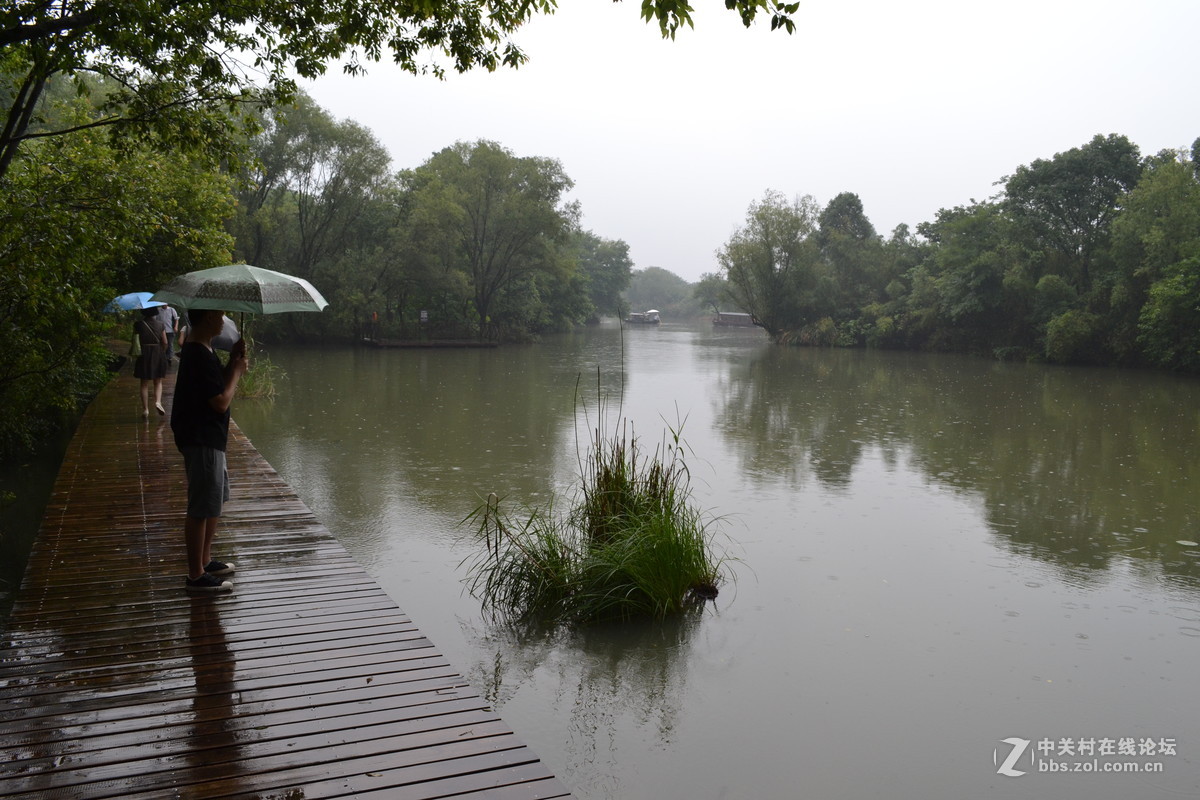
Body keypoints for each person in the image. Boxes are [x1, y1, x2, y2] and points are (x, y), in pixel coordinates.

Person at [171, 308, 249, 592]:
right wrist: (238, 373)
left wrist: (232, 362)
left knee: (214, 499)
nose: (224, 320)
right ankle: (195, 576)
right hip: (201, 437)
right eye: (220, 315)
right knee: (201, 505)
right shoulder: (197, 355)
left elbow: (216, 386)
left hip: (210, 437)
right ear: (207, 319)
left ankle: (204, 560)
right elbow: (219, 402)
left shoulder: (205, 349)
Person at [132, 306, 168, 418]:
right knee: (158, 381)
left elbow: (134, 340)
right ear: (155, 312)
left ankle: (146, 410)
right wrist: (162, 351)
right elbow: (165, 342)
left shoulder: (138, 325)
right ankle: (158, 402)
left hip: (143, 353)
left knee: (144, 383)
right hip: (157, 352)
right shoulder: (161, 324)